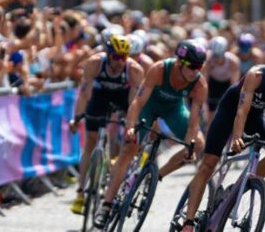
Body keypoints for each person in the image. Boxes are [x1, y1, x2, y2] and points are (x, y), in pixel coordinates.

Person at [180, 44, 265, 232]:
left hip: (255, 117)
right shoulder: (257, 75)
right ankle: (188, 221)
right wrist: (236, 137)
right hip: (229, 112)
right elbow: (241, 111)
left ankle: (237, 190)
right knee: (209, 163)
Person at [93, 40, 207, 229]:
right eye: (193, 66)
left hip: (174, 110)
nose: (196, 71)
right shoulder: (160, 69)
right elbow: (138, 102)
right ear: (180, 62)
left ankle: (156, 176)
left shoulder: (199, 84)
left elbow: (194, 121)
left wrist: (190, 145)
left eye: (200, 67)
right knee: (129, 147)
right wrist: (130, 128)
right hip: (148, 106)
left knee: (199, 143)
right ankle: (106, 205)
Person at [68, 35, 145, 215]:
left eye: (124, 57)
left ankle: (118, 176)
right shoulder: (94, 63)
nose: (120, 61)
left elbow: (134, 102)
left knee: (129, 139)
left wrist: (130, 125)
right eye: (116, 57)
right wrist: (77, 118)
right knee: (90, 142)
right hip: (100, 95)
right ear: (108, 54)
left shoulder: (133, 69)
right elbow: (84, 93)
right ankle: (80, 192)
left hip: (123, 98)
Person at [203, 36, 240, 127]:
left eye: (219, 56)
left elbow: (234, 85)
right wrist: (204, 100)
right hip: (213, 84)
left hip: (226, 85)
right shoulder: (208, 60)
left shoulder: (233, 61)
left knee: (227, 112)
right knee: (210, 114)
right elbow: (204, 82)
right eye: (215, 56)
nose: (217, 59)